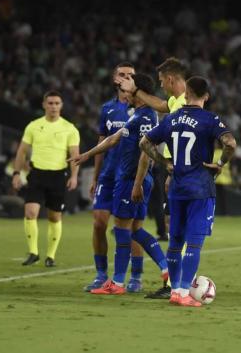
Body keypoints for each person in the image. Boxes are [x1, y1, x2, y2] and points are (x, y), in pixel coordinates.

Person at [140, 76, 237, 307]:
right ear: (207, 95)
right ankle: (184, 293)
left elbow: (144, 143)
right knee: (193, 244)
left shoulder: (171, 118)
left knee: (174, 243)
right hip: (200, 189)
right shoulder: (210, 119)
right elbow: (230, 143)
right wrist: (221, 163)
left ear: (186, 94)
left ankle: (175, 291)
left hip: (176, 188)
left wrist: (164, 162)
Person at [69, 74, 169, 295]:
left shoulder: (145, 117)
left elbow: (146, 153)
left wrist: (136, 183)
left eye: (128, 88)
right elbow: (113, 138)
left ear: (139, 92)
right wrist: (87, 154)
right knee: (135, 229)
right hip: (136, 179)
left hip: (132, 179)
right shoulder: (138, 115)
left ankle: (117, 283)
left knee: (121, 229)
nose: (125, 93)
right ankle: (166, 267)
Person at [117, 56, 187, 299]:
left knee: (177, 229)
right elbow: (161, 105)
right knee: (162, 228)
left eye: (162, 81)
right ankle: (173, 281)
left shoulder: (182, 103)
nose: (162, 86)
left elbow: (147, 148)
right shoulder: (176, 103)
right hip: (173, 172)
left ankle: (178, 285)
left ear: (169, 79)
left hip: (180, 173)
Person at [84, 62, 146, 293]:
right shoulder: (107, 109)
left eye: (131, 74)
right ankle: (101, 274)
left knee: (132, 228)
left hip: (130, 177)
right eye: (122, 74)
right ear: (115, 79)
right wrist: (95, 177)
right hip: (109, 176)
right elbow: (102, 143)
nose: (126, 78)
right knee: (99, 224)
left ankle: (136, 276)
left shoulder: (141, 108)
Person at [12, 90, 80, 268]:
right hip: (37, 174)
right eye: (50, 103)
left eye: (57, 103)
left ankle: (50, 255)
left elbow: (74, 154)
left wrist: (74, 176)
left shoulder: (69, 128)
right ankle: (33, 252)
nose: (53, 106)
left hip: (58, 175)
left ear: (61, 106)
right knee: (30, 212)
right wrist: (16, 173)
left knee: (54, 217)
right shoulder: (33, 126)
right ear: (44, 105)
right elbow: (22, 151)